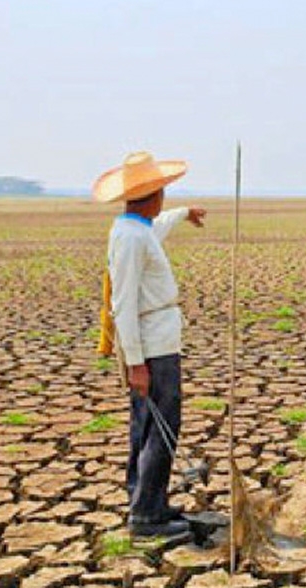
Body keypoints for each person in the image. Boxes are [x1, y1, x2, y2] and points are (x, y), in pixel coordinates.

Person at [93, 151, 207, 537]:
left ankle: (148, 500)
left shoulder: (136, 229)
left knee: (147, 425)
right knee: (162, 426)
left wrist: (183, 213)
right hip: (152, 348)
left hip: (157, 343)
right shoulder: (129, 237)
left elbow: (154, 231)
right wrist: (137, 364)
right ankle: (146, 515)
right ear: (153, 194)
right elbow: (122, 303)